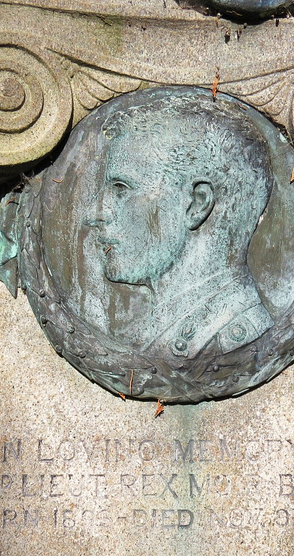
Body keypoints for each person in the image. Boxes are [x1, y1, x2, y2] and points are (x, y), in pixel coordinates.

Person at [85, 92, 274, 360]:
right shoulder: (160, 333)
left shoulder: (226, 342)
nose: (93, 214)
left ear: (196, 205)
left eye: (120, 188)